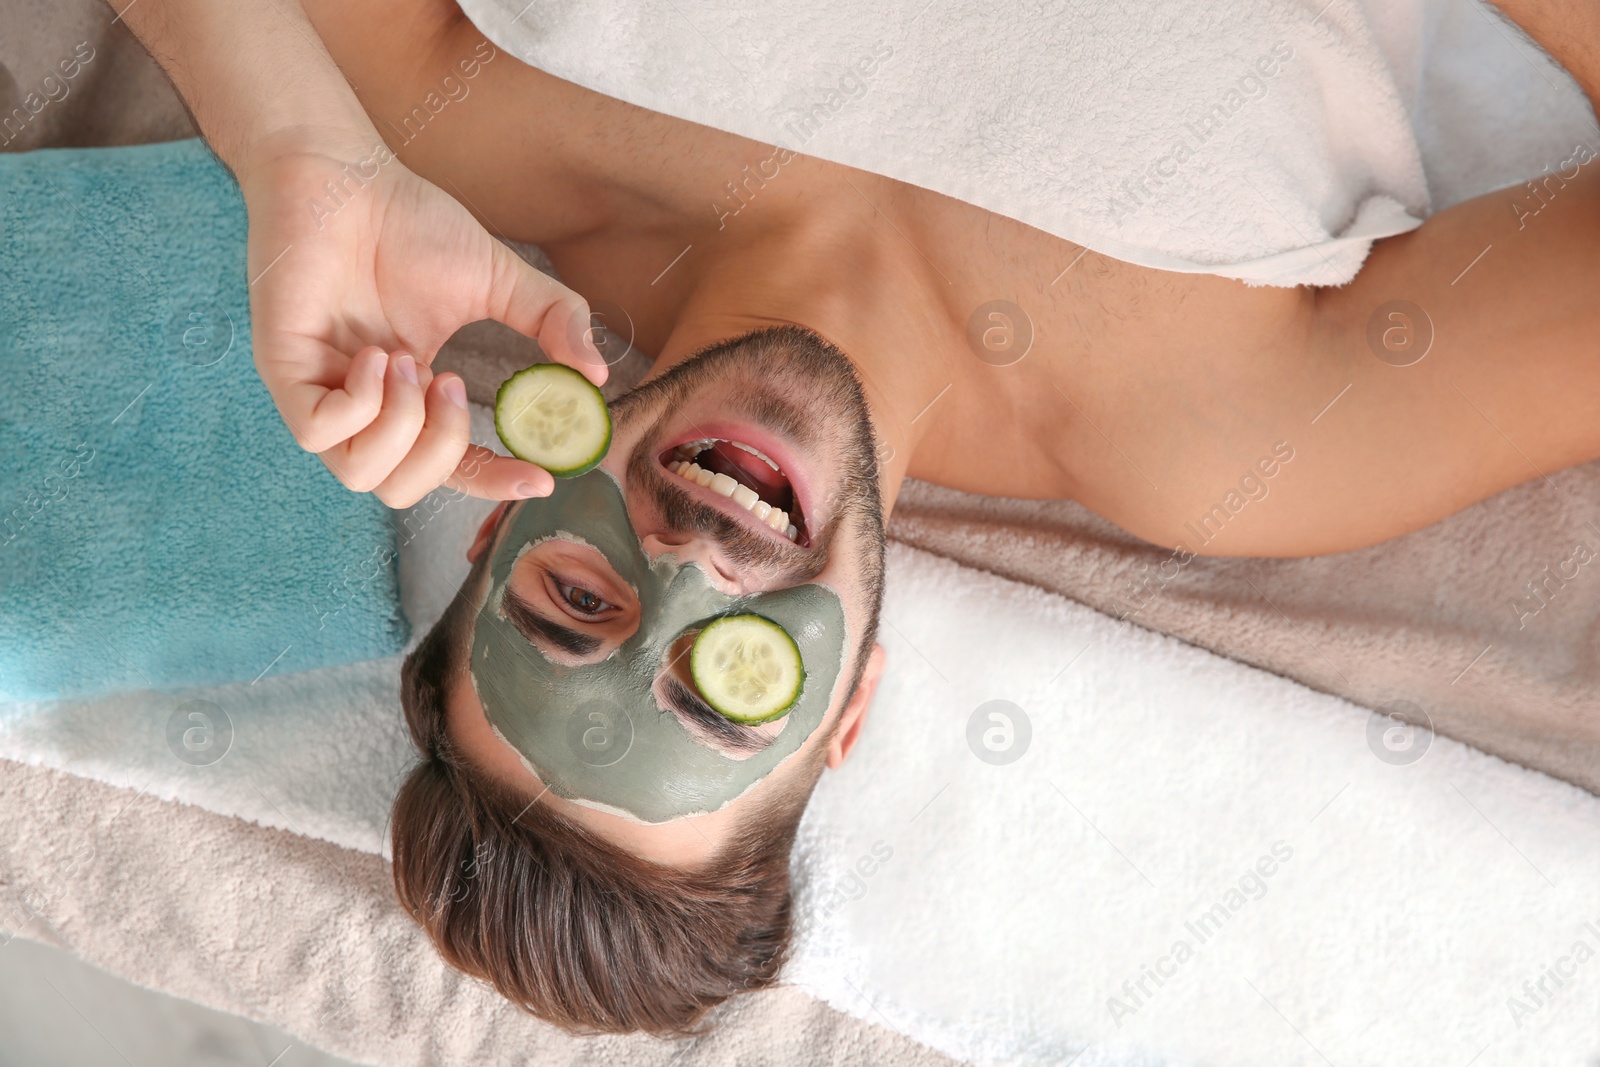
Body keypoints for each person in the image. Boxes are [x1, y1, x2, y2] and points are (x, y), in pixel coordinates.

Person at [122, 0, 1600, 1035]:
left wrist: (293, 155)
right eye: (722, 689)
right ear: (851, 710)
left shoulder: (466, 120)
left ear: (498, 529)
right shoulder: (1229, 437)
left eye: (580, 605)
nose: (695, 570)